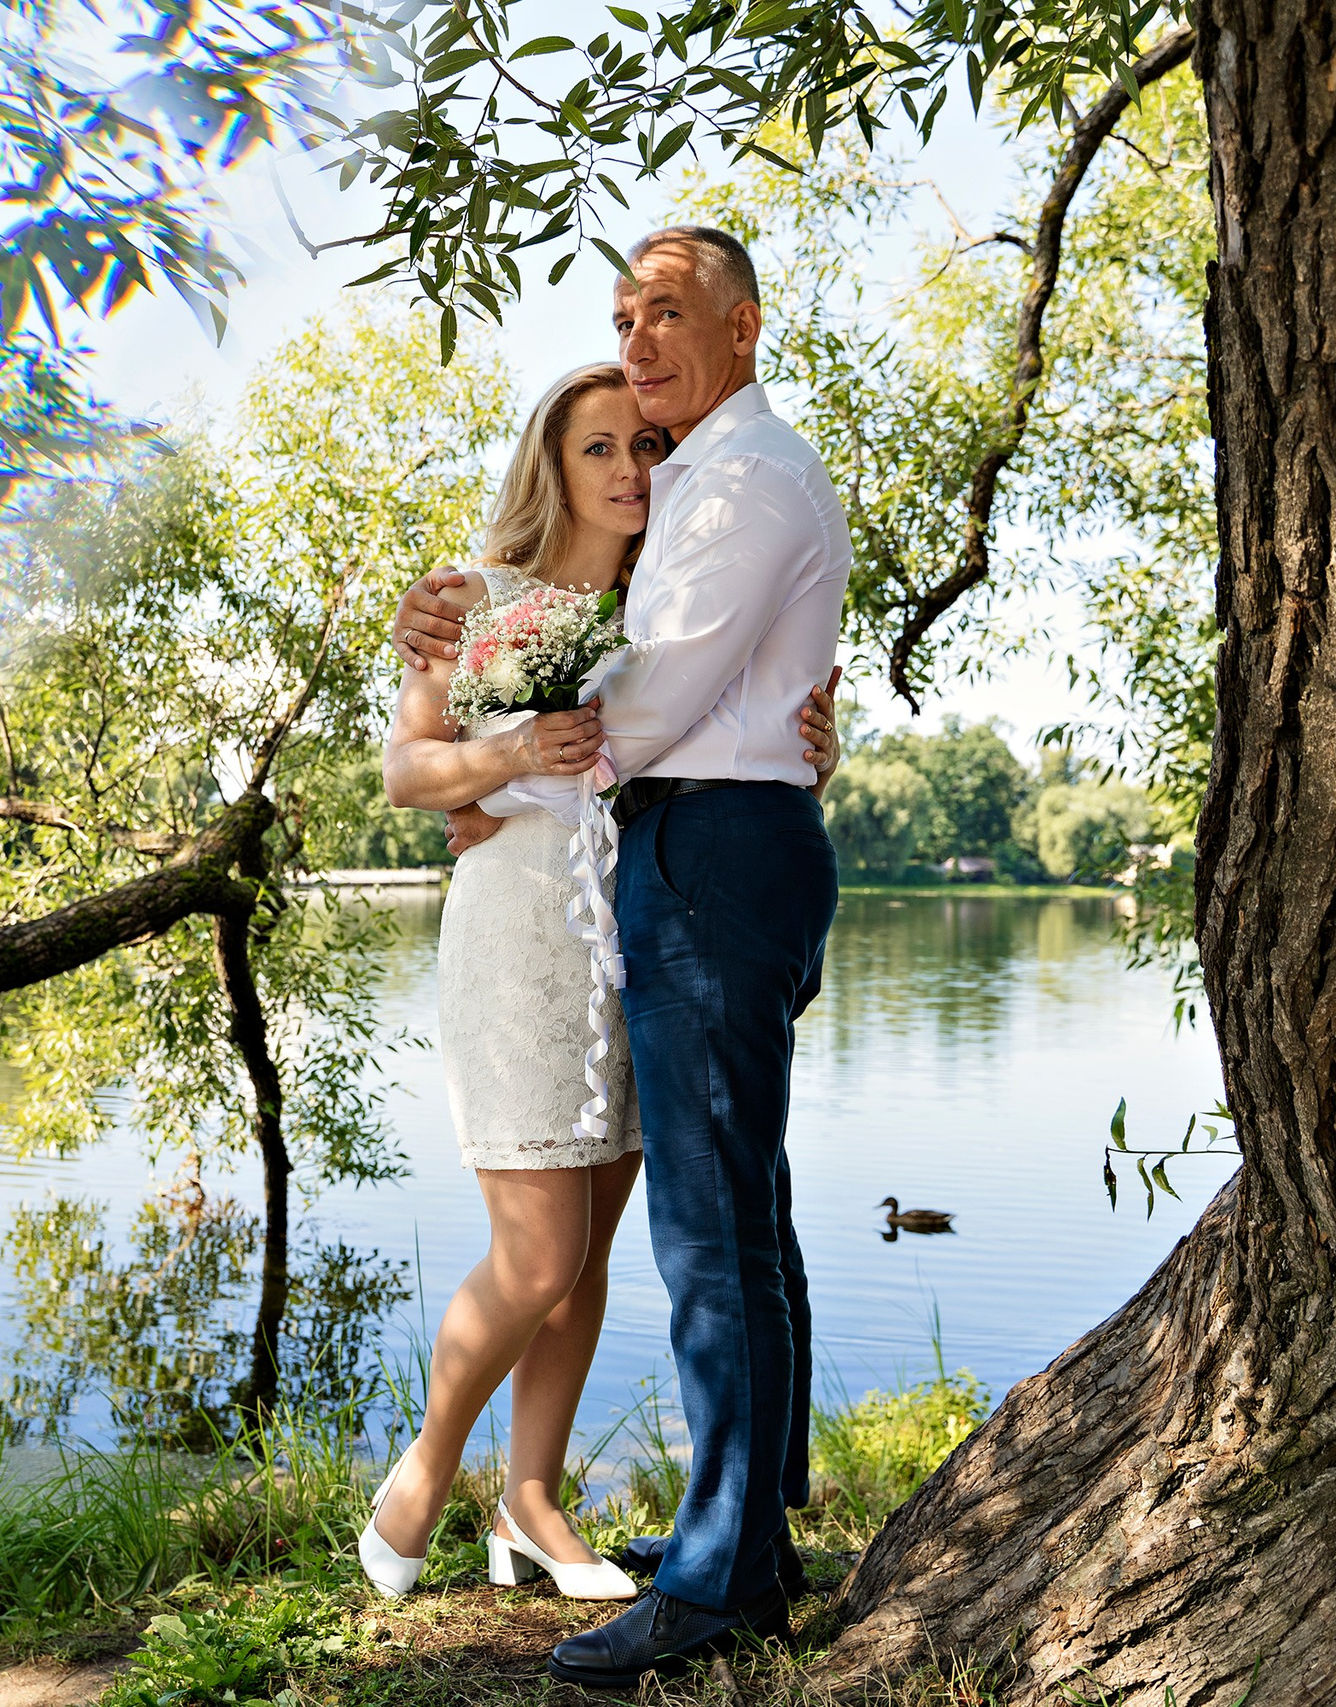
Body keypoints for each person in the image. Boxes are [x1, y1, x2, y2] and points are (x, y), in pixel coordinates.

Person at [388, 225, 853, 1686]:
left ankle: (719, 1579)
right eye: (622, 315)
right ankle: (751, 1532)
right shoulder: (701, 483)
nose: (642, 339)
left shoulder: (748, 481)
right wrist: (478, 752)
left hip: (711, 851)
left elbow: (654, 708)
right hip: (671, 851)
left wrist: (502, 775)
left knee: (711, 1231)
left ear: (744, 326)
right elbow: (693, 698)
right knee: (738, 1214)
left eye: (670, 313)